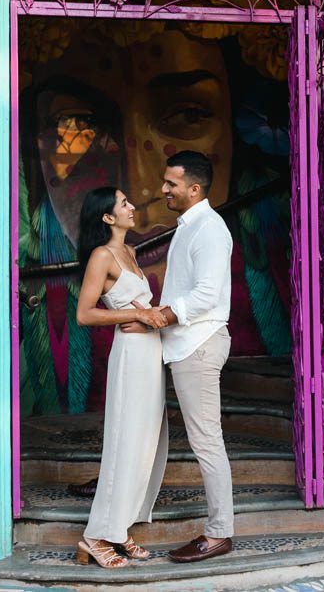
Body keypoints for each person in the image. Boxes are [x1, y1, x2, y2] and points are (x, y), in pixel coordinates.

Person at [122, 150, 235, 563]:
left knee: (207, 441)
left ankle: (220, 533)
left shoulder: (209, 229)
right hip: (183, 344)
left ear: (194, 188)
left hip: (198, 346)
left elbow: (206, 294)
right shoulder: (189, 226)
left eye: (171, 183)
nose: (163, 189)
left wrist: (158, 318)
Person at [73, 186, 170, 568]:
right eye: (124, 204)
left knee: (146, 442)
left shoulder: (129, 252)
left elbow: (141, 308)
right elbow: (85, 314)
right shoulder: (102, 255)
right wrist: (137, 316)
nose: (132, 207)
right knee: (125, 442)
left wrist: (153, 313)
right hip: (130, 357)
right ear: (108, 218)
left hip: (150, 354)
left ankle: (119, 528)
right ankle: (94, 537)